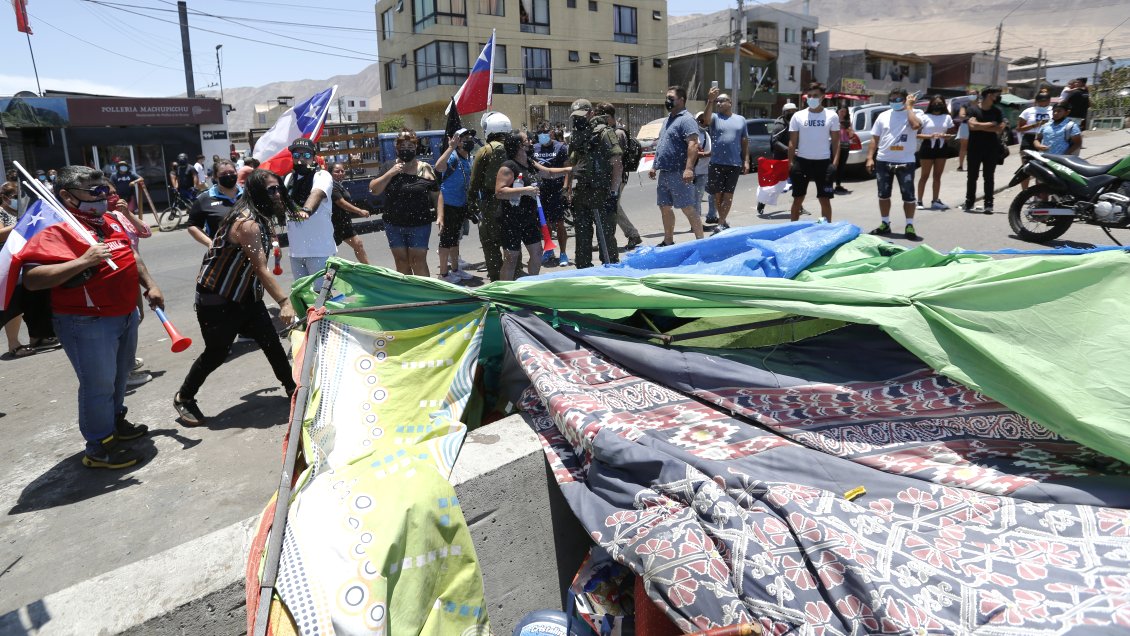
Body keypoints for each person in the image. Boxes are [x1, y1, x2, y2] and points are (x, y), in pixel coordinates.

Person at [21, 166, 165, 469]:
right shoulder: (57, 229)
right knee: (97, 385)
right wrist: (83, 261)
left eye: (105, 190)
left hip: (124, 313)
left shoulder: (109, 220)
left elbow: (132, 256)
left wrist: (150, 285)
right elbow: (33, 278)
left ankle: (114, 423)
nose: (104, 196)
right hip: (86, 321)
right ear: (67, 195)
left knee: (119, 376)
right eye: (95, 191)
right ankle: (99, 446)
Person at [173, 169, 298, 426]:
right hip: (217, 299)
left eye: (278, 189)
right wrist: (285, 302)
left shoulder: (261, 217)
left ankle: (291, 388)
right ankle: (184, 397)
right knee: (217, 352)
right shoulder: (248, 223)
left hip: (246, 296)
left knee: (271, 342)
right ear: (257, 194)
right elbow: (260, 268)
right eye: (271, 190)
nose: (277, 194)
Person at [369, 128, 442, 277]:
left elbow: (436, 194)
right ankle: (408, 295)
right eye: (402, 147)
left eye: (410, 147)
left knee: (417, 261)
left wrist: (440, 216)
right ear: (396, 148)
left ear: (416, 147)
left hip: (419, 224)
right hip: (394, 224)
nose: (406, 150)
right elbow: (374, 190)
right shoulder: (388, 167)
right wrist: (391, 173)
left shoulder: (425, 168)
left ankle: (426, 294)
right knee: (401, 261)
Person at [495, 131, 564, 280]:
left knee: (537, 253)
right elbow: (500, 192)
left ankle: (530, 284)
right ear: (519, 145)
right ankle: (504, 292)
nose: (531, 142)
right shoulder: (508, 166)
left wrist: (571, 170)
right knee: (511, 258)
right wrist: (525, 190)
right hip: (511, 219)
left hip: (529, 218)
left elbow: (549, 173)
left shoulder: (530, 162)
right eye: (527, 140)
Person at [567, 99, 623, 266]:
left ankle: (611, 271)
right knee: (582, 237)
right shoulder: (576, 135)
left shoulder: (605, 132)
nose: (579, 119)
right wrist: (567, 189)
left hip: (602, 192)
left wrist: (613, 193)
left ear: (591, 113)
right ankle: (583, 271)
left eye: (582, 115)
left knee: (605, 236)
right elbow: (570, 165)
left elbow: (617, 164)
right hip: (582, 193)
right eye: (576, 116)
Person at [648, 86, 703, 246]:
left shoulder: (686, 119)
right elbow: (662, 145)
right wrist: (654, 165)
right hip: (664, 172)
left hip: (680, 172)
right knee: (664, 207)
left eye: (671, 98)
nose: (667, 101)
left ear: (682, 100)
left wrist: (688, 168)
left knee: (687, 208)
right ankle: (668, 240)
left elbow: (692, 144)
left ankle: (701, 242)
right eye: (667, 97)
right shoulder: (668, 120)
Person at [867, 88, 924, 240]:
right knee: (883, 195)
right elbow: (875, 138)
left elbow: (915, 126)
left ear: (906, 99)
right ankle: (885, 223)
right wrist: (869, 157)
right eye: (892, 99)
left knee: (908, 196)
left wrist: (910, 107)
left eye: (898, 99)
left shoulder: (916, 113)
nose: (894, 102)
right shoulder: (883, 116)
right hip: (883, 160)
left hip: (905, 161)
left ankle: (909, 225)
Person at [283, 138, 337, 284]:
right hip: (296, 252)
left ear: (314, 157)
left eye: (306, 155)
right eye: (296, 155)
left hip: (320, 252)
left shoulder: (322, 175)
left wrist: (306, 210)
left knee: (323, 298)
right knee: (303, 298)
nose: (300, 159)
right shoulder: (288, 178)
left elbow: (317, 193)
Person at [467, 112, 512, 280]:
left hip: (491, 203)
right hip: (512, 200)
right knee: (511, 243)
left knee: (490, 243)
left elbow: (474, 181)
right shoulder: (515, 147)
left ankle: (496, 280)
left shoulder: (485, 150)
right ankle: (513, 277)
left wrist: (471, 204)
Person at [788, 82, 841, 222]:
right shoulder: (798, 116)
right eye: (809, 96)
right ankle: (793, 230)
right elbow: (792, 142)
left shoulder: (831, 116)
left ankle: (827, 230)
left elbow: (836, 142)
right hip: (802, 161)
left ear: (822, 97)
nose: (811, 98)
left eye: (815, 96)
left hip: (823, 163)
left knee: (824, 200)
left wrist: (834, 164)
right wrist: (790, 163)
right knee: (797, 199)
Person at [700, 87, 750, 233]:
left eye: (722, 101)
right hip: (716, 163)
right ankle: (722, 221)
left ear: (730, 103)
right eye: (717, 101)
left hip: (734, 163)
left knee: (728, 194)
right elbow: (706, 119)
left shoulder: (741, 120)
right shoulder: (715, 117)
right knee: (718, 195)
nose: (719, 103)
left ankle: (721, 222)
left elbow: (745, 140)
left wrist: (746, 160)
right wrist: (710, 100)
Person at [434, 128, 476, 282]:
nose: (469, 140)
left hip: (461, 204)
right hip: (448, 204)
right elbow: (438, 167)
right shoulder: (452, 156)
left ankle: (456, 270)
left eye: (470, 137)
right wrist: (450, 147)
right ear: (457, 141)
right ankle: (444, 275)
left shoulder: (468, 158)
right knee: (446, 240)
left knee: (455, 239)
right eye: (464, 138)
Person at [960, 86, 1006, 215]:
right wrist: (991, 124)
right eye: (996, 94)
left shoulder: (997, 111)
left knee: (989, 177)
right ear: (989, 95)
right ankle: (969, 202)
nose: (997, 97)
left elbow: (1000, 128)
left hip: (991, 148)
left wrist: (980, 125)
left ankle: (989, 204)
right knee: (972, 176)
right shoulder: (972, 109)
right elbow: (971, 127)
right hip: (974, 147)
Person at [603, 105, 642, 252]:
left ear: (609, 117)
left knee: (614, 207)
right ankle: (606, 237)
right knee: (611, 207)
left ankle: (632, 234)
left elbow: (616, 159)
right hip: (613, 176)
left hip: (617, 176)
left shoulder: (618, 133)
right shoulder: (611, 131)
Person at [531, 122, 571, 266]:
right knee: (544, 222)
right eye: (540, 132)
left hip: (557, 188)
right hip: (541, 189)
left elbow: (567, 170)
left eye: (546, 131)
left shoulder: (560, 147)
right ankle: (549, 250)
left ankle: (563, 253)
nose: (543, 134)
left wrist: (566, 189)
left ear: (552, 132)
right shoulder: (534, 148)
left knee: (559, 223)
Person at [187, 159, 242, 247]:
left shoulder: (249, 194)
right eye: (223, 174)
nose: (228, 175)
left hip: (252, 251)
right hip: (223, 253)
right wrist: (210, 243)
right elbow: (193, 226)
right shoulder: (204, 199)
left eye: (231, 172)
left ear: (237, 172)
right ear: (215, 177)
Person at [915, 95, 955, 210]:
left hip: (941, 148)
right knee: (924, 175)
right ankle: (919, 201)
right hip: (927, 146)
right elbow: (917, 134)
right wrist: (930, 136)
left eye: (940, 103)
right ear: (931, 104)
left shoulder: (946, 117)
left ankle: (935, 200)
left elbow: (951, 133)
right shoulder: (924, 116)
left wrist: (946, 136)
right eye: (935, 103)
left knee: (937, 176)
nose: (937, 105)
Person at [329, 162, 371, 265]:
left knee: (358, 244)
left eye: (342, 171)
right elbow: (341, 202)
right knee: (329, 252)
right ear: (330, 173)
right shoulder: (331, 186)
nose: (340, 173)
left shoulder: (339, 185)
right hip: (333, 225)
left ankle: (369, 271)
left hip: (344, 223)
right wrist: (359, 211)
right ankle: (326, 275)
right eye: (337, 171)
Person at [1016, 90, 1052, 190]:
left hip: (1045, 138)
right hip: (1029, 138)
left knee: (1043, 167)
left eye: (1045, 99)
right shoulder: (1028, 111)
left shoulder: (1053, 110)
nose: (1043, 102)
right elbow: (1019, 128)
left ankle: (1039, 193)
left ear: (1049, 100)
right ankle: (1025, 192)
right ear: (1036, 100)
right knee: (1027, 167)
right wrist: (1035, 125)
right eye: (1040, 99)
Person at [692, 111, 714, 221]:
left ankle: (711, 216)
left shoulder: (706, 133)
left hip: (706, 170)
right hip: (697, 172)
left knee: (713, 193)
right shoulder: (695, 134)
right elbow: (691, 152)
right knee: (697, 198)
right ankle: (696, 224)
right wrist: (707, 154)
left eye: (704, 119)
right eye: (700, 119)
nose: (703, 121)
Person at [834, 107, 854, 195]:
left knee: (841, 166)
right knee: (833, 165)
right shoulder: (833, 120)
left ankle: (838, 184)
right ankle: (829, 184)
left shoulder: (848, 122)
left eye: (845, 112)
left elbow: (851, 136)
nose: (843, 113)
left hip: (845, 146)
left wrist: (849, 130)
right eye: (841, 111)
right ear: (838, 111)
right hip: (834, 146)